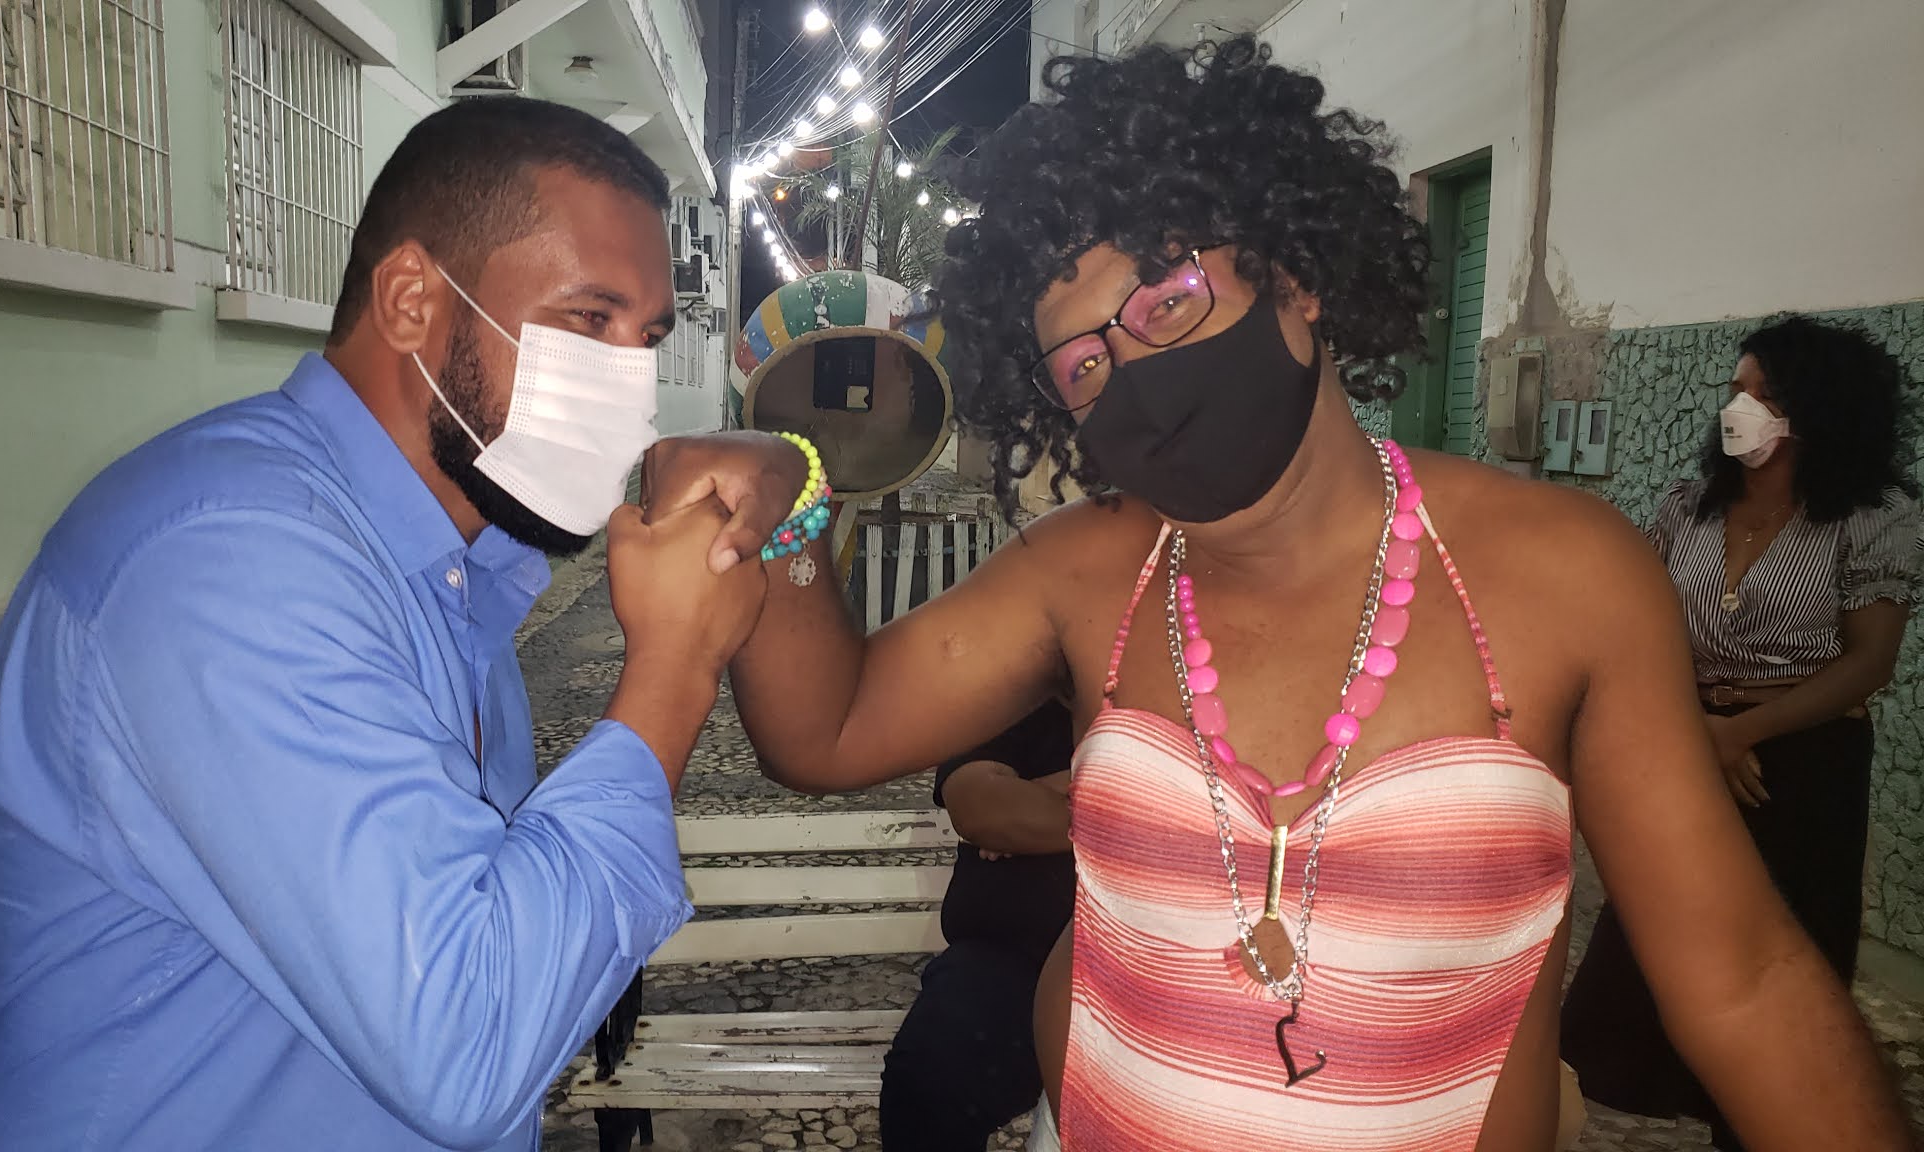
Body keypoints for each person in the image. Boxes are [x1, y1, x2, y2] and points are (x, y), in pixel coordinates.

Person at [645, 38, 1917, 1150]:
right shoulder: (1085, 570)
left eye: (1166, 302)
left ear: (1293, 279)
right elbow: (825, 731)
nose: (1131, 374)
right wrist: (787, 491)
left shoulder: (1564, 572)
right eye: (1082, 365)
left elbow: (1742, 982)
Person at [0, 98, 778, 1151]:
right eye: (587, 321)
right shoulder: (229, 560)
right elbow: (469, 1038)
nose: (629, 388)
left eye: (645, 339)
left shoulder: (446, 558)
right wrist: (676, 662)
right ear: (413, 301)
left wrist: (782, 462)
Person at [1562, 316, 1920, 1150]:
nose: (1740, 407)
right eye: (1736, 389)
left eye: (1765, 393)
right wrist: (1696, 731)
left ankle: (1758, 1119)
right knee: (1650, 931)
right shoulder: (1689, 506)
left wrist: (1741, 732)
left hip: (1806, 753)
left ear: (1819, 409)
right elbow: (1637, 626)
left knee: (1789, 941)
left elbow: (1868, 663)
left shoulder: (1874, 516)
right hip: (1685, 734)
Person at [881, 700, 1077, 1151]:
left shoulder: (1194, 696)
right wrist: (1136, 799)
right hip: (1010, 960)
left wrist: (1050, 794)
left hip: (1161, 959)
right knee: (928, 1082)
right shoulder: (1017, 695)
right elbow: (984, 809)